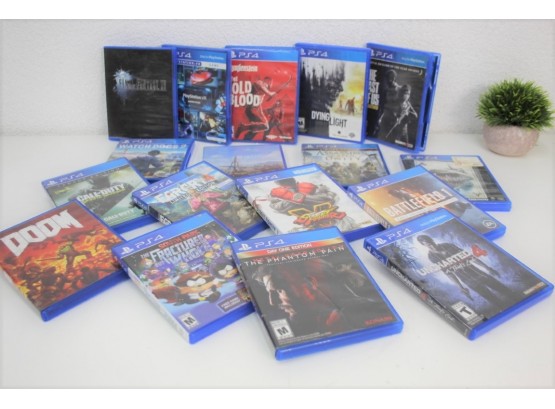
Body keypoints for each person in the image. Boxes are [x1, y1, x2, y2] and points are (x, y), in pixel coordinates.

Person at [416, 235, 508, 309]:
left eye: (431, 242)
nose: (431, 245)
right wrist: (461, 288)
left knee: (504, 290)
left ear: (433, 240)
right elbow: (448, 273)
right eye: (428, 244)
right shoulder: (432, 256)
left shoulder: (448, 245)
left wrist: (488, 268)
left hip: (479, 274)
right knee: (494, 300)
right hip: (468, 281)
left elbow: (470, 258)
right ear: (424, 245)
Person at [235, 76, 276, 140]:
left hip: (257, 109)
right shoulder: (259, 83)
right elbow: (262, 87)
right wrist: (270, 93)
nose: (269, 84)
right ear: (265, 80)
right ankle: (244, 130)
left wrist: (270, 94)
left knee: (265, 126)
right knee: (261, 126)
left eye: (270, 83)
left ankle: (243, 128)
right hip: (251, 109)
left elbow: (265, 93)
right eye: (269, 82)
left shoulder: (263, 90)